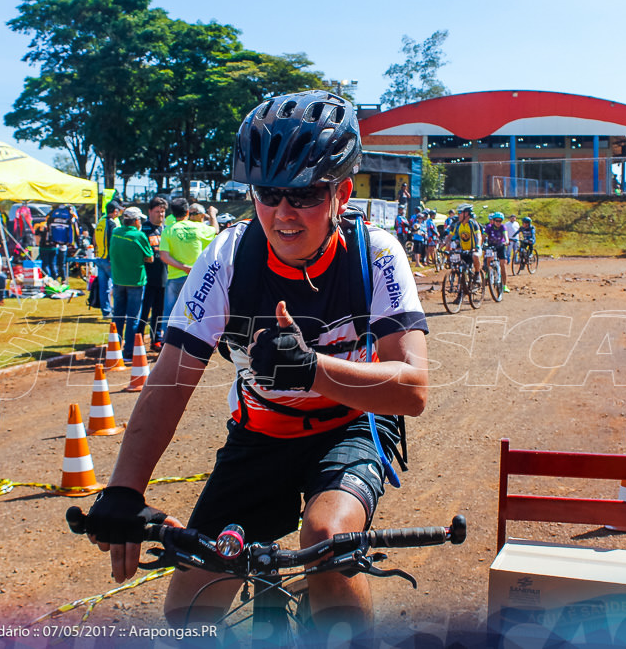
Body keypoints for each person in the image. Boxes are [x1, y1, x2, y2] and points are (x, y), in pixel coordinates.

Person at [80, 90, 428, 638]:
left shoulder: (376, 253)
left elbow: (412, 388)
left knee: (325, 540)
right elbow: (170, 380)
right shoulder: (226, 256)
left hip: (348, 426)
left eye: (305, 194)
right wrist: (125, 490)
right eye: (268, 193)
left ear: (341, 193)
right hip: (259, 434)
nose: (284, 212)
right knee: (187, 611)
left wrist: (313, 369)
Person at [159, 197, 217, 326]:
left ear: (173, 213)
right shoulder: (198, 227)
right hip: (195, 277)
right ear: (187, 212)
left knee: (170, 313)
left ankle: (166, 340)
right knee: (193, 313)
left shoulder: (168, 230)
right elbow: (215, 231)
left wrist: (182, 267)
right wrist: (212, 215)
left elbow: (164, 256)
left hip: (174, 277)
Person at [109, 206, 153, 357]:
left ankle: (114, 348)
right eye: (139, 219)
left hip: (118, 279)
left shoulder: (116, 232)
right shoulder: (139, 235)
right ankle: (128, 351)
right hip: (135, 281)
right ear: (135, 221)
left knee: (118, 316)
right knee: (133, 318)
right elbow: (150, 257)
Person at [139, 197, 168, 350]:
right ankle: (137, 338)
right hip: (147, 278)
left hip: (163, 277)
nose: (160, 215)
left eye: (162, 212)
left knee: (159, 311)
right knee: (143, 311)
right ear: (150, 211)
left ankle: (156, 339)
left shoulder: (166, 229)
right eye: (157, 212)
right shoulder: (143, 229)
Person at [94, 201, 123, 319]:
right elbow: (113, 242)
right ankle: (117, 310)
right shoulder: (112, 224)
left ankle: (106, 312)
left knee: (104, 287)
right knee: (117, 286)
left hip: (100, 257)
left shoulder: (100, 222)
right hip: (109, 259)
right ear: (115, 211)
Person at [45, 203, 81, 282]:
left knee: (53, 263)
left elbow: (47, 224)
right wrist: (75, 242)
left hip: (54, 242)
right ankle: (63, 280)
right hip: (64, 242)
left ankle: (55, 279)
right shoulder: (70, 212)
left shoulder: (53, 212)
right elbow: (76, 226)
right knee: (61, 263)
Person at [484, 212, 510, 294]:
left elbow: (505, 235)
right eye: (496, 221)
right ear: (493, 221)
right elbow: (484, 236)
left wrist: (507, 241)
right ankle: (488, 272)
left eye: (500, 221)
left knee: (503, 265)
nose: (498, 222)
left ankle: (505, 285)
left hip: (501, 246)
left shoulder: (503, 227)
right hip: (491, 245)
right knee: (489, 258)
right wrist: (482, 243)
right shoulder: (489, 227)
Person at [454, 203, 482, 277]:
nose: (458, 215)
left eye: (460, 212)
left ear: (466, 213)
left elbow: (478, 236)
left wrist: (478, 246)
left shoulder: (473, 224)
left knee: (475, 256)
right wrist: (444, 244)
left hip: (474, 249)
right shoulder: (458, 224)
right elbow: (450, 236)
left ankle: (477, 274)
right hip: (463, 249)